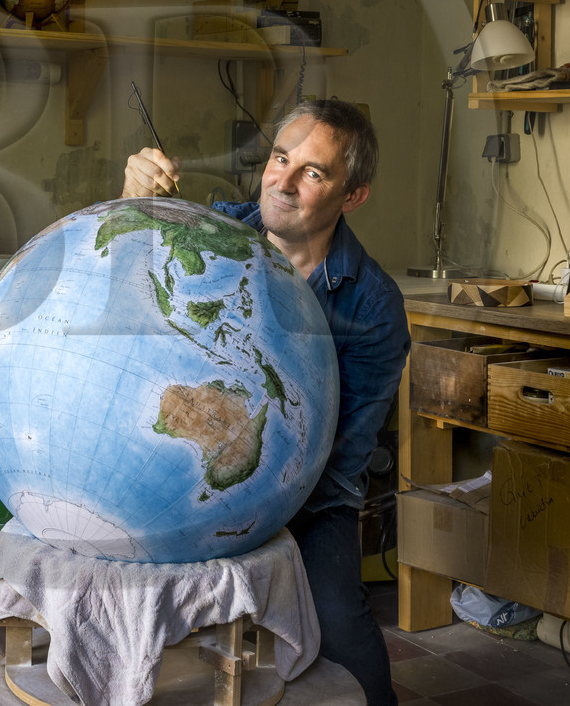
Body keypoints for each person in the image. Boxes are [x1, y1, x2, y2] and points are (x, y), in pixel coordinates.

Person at [120, 98, 409, 706]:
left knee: (338, 621)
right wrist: (135, 201)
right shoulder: (217, 233)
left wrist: (250, 518)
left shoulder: (374, 306)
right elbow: (128, 272)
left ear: (351, 196)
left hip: (308, 495)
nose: (282, 181)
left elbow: (344, 460)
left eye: (313, 172)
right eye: (281, 158)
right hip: (187, 460)